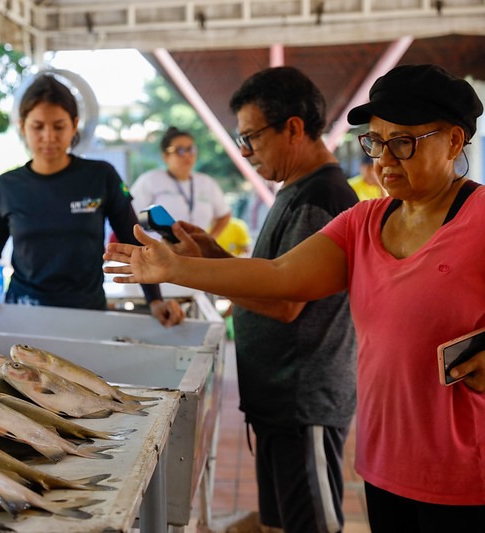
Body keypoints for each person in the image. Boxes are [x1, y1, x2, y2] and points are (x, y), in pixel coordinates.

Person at [105, 63, 485, 532]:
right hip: (386, 461)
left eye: (403, 142)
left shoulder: (479, 219)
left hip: (467, 470)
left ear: (453, 141)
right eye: (375, 141)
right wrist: (178, 268)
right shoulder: (363, 222)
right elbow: (281, 275)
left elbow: (284, 304)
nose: (384, 159)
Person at [121, 66, 361, 533]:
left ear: (293, 128)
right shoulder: (296, 190)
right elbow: (271, 276)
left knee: (311, 525)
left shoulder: (322, 197)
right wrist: (211, 255)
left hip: (303, 400)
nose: (246, 152)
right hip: (280, 398)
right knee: (280, 523)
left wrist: (184, 271)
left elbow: (286, 300)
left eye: (251, 138)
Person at [0, 73, 183, 327]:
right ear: (22, 126)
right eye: (38, 126)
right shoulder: (5, 186)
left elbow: (133, 240)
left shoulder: (101, 176)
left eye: (58, 126)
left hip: (88, 314)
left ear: (74, 125)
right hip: (24, 313)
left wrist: (155, 301)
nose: (48, 136)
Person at [130, 126, 231, 239]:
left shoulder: (207, 183)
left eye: (191, 149)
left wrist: (209, 240)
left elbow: (224, 215)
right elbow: (132, 217)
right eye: (180, 150)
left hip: (196, 249)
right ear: (165, 156)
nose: (187, 155)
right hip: (160, 248)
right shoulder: (150, 180)